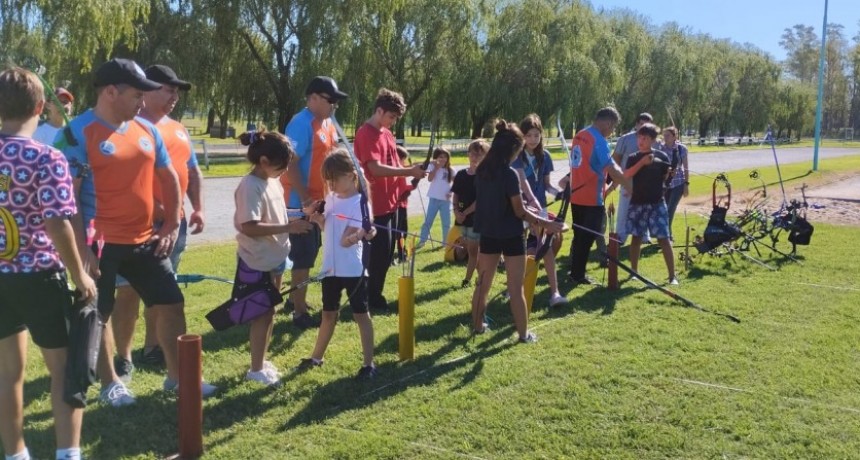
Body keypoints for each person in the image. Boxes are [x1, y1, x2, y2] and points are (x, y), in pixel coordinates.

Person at [59, 58, 215, 404]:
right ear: (111, 92)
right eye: (136, 94)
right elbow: (66, 197)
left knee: (171, 302)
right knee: (98, 313)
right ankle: (110, 382)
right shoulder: (75, 134)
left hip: (145, 239)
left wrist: (173, 222)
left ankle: (179, 378)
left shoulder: (147, 131)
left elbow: (170, 176)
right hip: (98, 245)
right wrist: (82, 249)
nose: (142, 102)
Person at [0, 66, 96, 460]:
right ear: (41, 106)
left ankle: (16, 453)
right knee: (63, 370)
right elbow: (58, 224)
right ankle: (68, 452)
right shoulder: (47, 157)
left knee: (8, 374)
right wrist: (80, 276)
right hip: (40, 277)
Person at [111, 64, 204, 381]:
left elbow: (190, 171)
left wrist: (198, 208)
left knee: (162, 291)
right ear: (147, 90)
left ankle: (153, 349)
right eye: (168, 88)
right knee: (127, 294)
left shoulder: (179, 128)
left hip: (173, 227)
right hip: (138, 228)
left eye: (177, 90)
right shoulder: (127, 127)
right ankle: (123, 356)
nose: (174, 95)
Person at [470, 120, 567, 342]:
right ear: (512, 150)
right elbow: (519, 211)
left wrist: (530, 210)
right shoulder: (509, 174)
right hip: (511, 236)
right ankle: (524, 335)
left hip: (489, 234)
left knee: (482, 283)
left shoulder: (483, 169)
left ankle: (477, 326)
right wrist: (547, 225)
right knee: (515, 288)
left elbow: (504, 203)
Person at [234, 130, 313, 386]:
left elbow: (276, 216)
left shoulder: (272, 181)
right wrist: (289, 228)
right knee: (262, 313)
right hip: (257, 260)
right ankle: (255, 370)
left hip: (276, 258)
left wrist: (299, 217)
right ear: (265, 161)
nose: (285, 171)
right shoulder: (250, 187)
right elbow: (249, 226)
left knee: (270, 312)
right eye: (282, 165)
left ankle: (261, 360)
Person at [297, 150, 378, 378]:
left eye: (334, 178)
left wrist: (357, 235)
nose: (330, 184)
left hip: (352, 270)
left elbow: (350, 237)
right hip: (329, 270)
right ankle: (316, 358)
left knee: (361, 315)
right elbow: (329, 230)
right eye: (328, 179)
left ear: (352, 176)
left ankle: (368, 364)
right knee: (328, 314)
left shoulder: (360, 202)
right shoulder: (331, 199)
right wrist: (320, 220)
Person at [281, 76, 346, 329]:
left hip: (319, 203)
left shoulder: (328, 123)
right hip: (300, 203)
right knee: (303, 257)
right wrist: (306, 198)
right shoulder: (301, 124)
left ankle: (295, 300)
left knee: (310, 252)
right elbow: (290, 163)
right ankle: (299, 313)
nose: (334, 106)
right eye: (331, 101)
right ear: (314, 98)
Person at [353, 88, 425, 311]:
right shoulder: (365, 133)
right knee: (377, 257)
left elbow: (394, 164)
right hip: (376, 205)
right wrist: (408, 172)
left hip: (392, 203)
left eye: (395, 118)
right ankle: (369, 298)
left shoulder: (387, 134)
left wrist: (408, 181)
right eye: (391, 116)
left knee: (386, 255)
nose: (393, 122)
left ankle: (374, 295)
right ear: (379, 110)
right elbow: (374, 169)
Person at [568, 107, 650, 285]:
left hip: (576, 195)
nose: (612, 131)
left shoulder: (580, 134)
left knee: (580, 235)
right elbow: (612, 167)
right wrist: (631, 187)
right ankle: (577, 274)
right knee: (587, 237)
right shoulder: (598, 140)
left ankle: (575, 271)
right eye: (612, 127)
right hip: (591, 197)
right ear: (607, 123)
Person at [512, 114, 564, 307]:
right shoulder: (516, 156)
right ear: (522, 136)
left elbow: (547, 185)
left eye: (536, 135)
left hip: (539, 209)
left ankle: (555, 292)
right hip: (520, 208)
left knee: (546, 248)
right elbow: (521, 184)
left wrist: (558, 193)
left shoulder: (546, 157)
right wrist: (530, 204)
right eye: (529, 135)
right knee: (518, 250)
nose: (533, 139)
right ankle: (515, 289)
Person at [625, 124, 678, 284]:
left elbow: (665, 177)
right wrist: (642, 163)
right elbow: (626, 175)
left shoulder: (662, 156)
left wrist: (669, 173)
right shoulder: (633, 157)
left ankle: (672, 276)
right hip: (637, 203)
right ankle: (634, 273)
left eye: (645, 138)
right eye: (639, 137)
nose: (641, 141)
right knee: (636, 238)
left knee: (664, 238)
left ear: (653, 140)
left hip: (657, 203)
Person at [611, 112, 654, 245]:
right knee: (624, 209)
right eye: (641, 123)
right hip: (627, 179)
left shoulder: (654, 141)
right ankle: (620, 236)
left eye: (646, 124)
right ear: (636, 124)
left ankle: (644, 236)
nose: (643, 127)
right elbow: (615, 158)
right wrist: (617, 176)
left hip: (646, 182)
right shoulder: (625, 139)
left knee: (645, 209)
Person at [451, 139, 489, 288]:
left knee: (473, 251)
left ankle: (467, 280)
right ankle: (482, 278)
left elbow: (480, 200)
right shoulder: (461, 174)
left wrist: (464, 213)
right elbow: (456, 194)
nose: (475, 158)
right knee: (472, 250)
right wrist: (456, 211)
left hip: (476, 219)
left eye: (479, 155)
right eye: (472, 154)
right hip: (462, 218)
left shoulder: (485, 177)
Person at [655, 126, 689, 240]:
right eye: (664, 135)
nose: (665, 137)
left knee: (670, 209)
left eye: (668, 135)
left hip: (678, 184)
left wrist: (686, 185)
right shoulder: (660, 148)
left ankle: (666, 235)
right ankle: (665, 234)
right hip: (664, 184)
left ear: (675, 136)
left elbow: (686, 168)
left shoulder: (681, 149)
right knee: (664, 210)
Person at [417, 147, 453, 249]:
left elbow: (456, 184)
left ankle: (445, 242)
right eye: (440, 157)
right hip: (434, 199)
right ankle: (422, 240)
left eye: (445, 157)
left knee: (446, 223)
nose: (443, 159)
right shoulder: (433, 167)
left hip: (445, 201)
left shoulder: (450, 170)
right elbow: (429, 179)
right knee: (428, 221)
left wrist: (451, 192)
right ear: (436, 158)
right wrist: (436, 167)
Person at [393, 146, 411, 264]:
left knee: (404, 230)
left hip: (403, 205)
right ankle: (395, 256)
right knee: (397, 232)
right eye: (402, 159)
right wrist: (413, 185)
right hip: (396, 206)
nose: (403, 163)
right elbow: (401, 190)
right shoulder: (395, 172)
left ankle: (402, 254)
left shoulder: (401, 171)